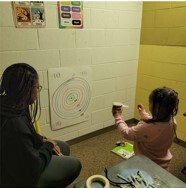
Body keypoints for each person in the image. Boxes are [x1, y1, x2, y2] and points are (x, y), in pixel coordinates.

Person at [0, 63, 82, 187]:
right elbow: (35, 165)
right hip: (17, 179)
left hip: (15, 159)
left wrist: (42, 140)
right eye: (37, 87)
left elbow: (29, 135)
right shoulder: (15, 125)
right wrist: (48, 145)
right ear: (26, 90)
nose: (38, 90)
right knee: (75, 164)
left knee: (63, 147)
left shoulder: (12, 104)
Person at [112, 87, 179, 170]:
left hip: (146, 164)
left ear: (157, 108)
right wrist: (144, 114)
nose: (149, 105)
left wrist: (118, 117)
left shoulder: (147, 128)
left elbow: (126, 133)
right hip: (163, 164)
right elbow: (156, 120)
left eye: (150, 103)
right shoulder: (172, 121)